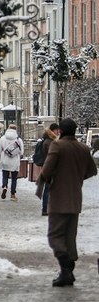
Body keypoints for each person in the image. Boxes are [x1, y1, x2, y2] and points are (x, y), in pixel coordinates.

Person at [38, 118, 97, 287]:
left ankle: (65, 270)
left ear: (61, 131)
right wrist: (78, 178)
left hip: (58, 198)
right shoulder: (83, 148)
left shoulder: (57, 146)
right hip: (75, 198)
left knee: (55, 235)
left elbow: (47, 170)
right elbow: (92, 171)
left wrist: (47, 179)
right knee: (70, 237)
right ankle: (69, 271)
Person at [35, 123, 59, 216]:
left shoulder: (48, 140)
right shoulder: (49, 142)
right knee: (48, 189)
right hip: (50, 168)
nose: (58, 132)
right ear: (52, 131)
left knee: (49, 189)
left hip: (48, 168)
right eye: (57, 130)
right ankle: (46, 208)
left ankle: (48, 208)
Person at [0, 124, 23, 201]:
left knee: (5, 176)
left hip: (5, 160)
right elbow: (21, 152)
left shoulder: (3, 138)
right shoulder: (18, 139)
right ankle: (12, 194)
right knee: (14, 178)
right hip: (14, 161)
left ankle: (4, 186)